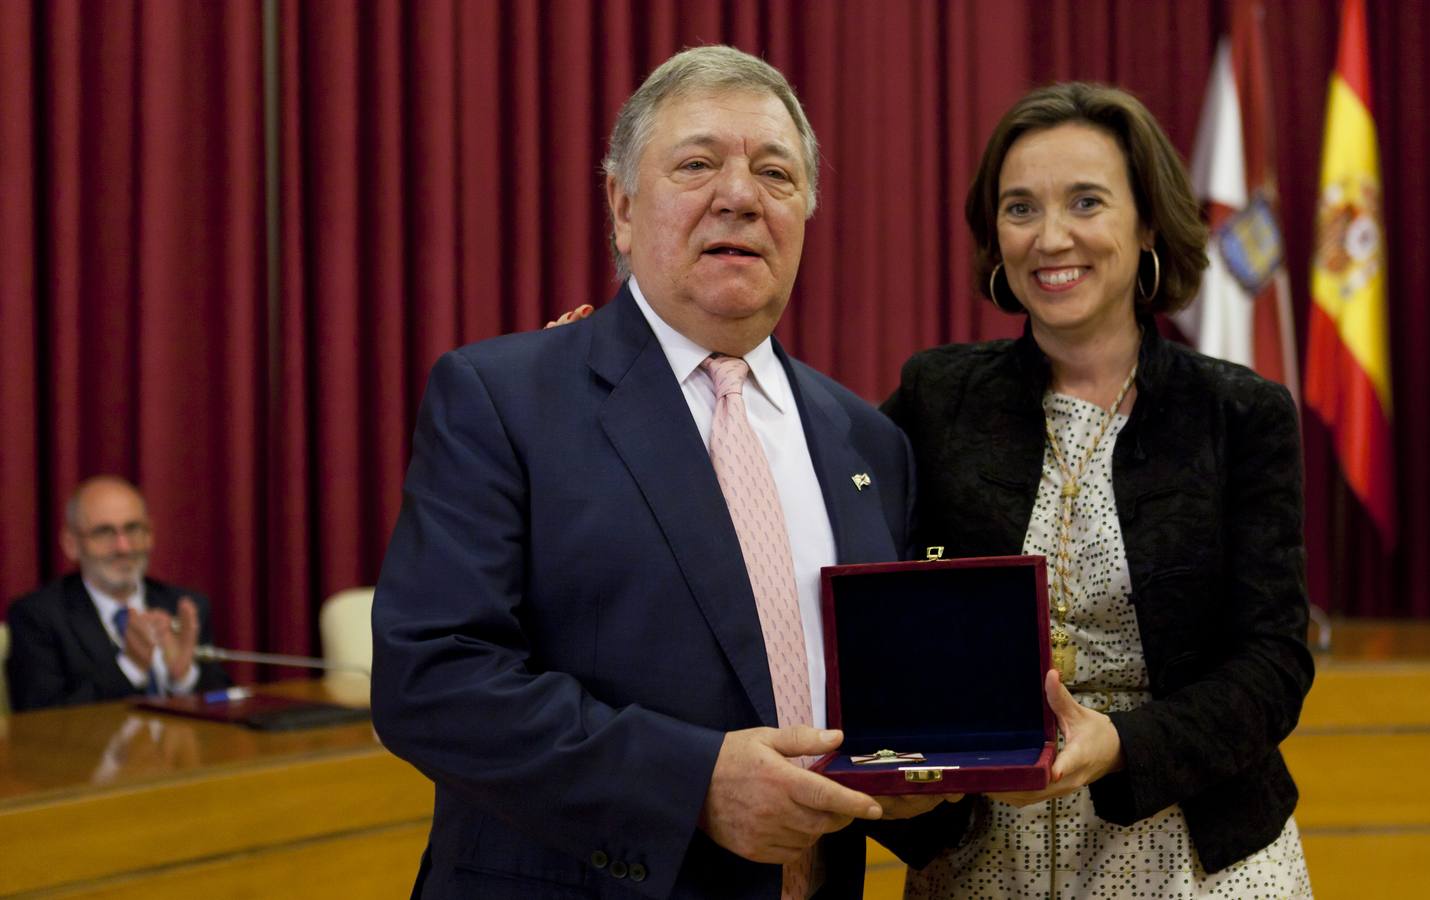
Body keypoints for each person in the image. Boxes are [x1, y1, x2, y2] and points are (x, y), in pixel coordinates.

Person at [370, 45, 960, 899]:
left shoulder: (866, 440)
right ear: (620, 206)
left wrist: (934, 769)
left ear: (805, 213)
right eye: (696, 164)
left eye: (775, 173)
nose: (739, 196)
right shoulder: (502, 398)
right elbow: (431, 679)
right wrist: (691, 786)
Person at [883, 83, 1315, 896]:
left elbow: (1273, 664)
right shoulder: (935, 398)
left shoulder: (1239, 414)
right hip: (983, 859)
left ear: (1146, 221)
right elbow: (816, 504)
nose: (1051, 238)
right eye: (1019, 209)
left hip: (1194, 857)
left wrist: (1118, 745)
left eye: (1086, 202)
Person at [5, 475, 228, 712]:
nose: (123, 547)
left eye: (133, 529)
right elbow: (41, 720)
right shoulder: (37, 616)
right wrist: (130, 669)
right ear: (71, 544)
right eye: (104, 532)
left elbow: (226, 702)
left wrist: (184, 677)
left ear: (150, 535)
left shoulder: (184, 606)